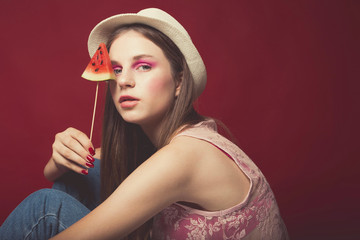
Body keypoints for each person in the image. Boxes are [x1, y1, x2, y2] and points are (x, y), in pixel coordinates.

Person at [0, 8, 288, 239]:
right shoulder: (175, 142)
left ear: (179, 81)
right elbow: (61, 171)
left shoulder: (185, 156)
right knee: (84, 173)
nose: (124, 80)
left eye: (144, 66)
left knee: (44, 209)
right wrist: (61, 155)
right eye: (116, 69)